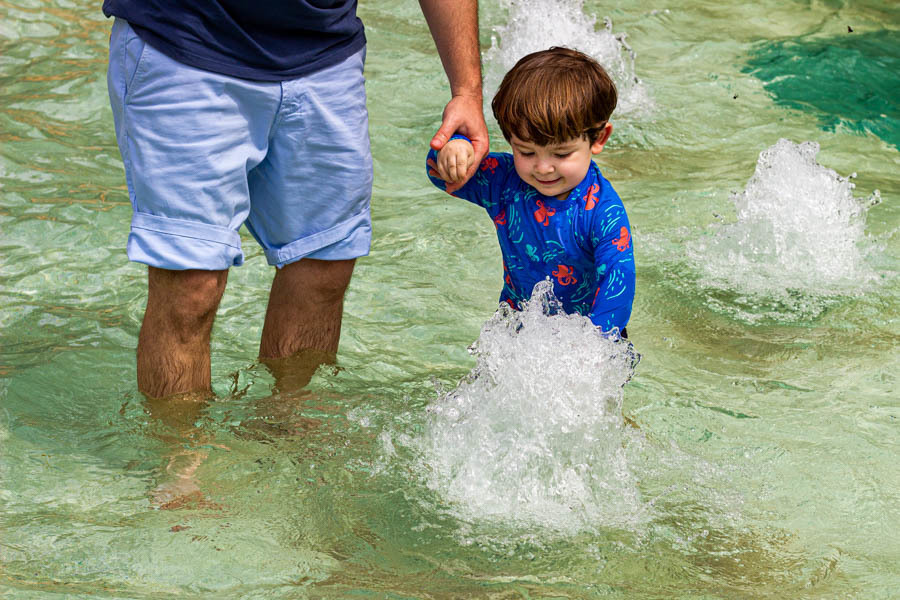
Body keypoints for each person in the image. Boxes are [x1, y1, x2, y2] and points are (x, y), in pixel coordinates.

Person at [103, 1, 489, 399]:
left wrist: (465, 89)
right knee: (191, 284)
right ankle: (181, 454)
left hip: (325, 55)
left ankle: (285, 442)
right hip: (183, 46)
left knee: (323, 267)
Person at [426, 47, 634, 335]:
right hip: (516, 332)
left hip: (593, 338)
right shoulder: (505, 183)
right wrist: (457, 147)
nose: (543, 168)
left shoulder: (602, 212)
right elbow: (441, 176)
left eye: (561, 154)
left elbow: (618, 281)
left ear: (599, 138)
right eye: (526, 152)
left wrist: (590, 348)